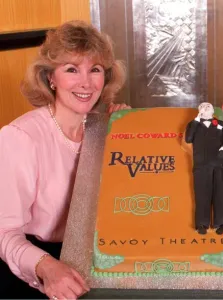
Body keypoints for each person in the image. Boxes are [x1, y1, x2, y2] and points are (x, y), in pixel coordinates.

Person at [0, 20, 129, 299]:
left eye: (94, 70)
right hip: (35, 263)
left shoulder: (103, 127)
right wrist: (46, 267)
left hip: (96, 257)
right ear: (50, 78)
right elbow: (4, 233)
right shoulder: (19, 137)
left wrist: (127, 129)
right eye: (71, 69)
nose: (85, 82)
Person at [185, 102, 223, 235]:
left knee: (219, 193)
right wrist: (196, 119)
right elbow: (188, 139)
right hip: (201, 164)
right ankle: (201, 224)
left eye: (208, 105)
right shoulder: (194, 125)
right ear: (199, 111)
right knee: (202, 194)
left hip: (218, 163)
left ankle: (220, 223)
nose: (206, 107)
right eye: (203, 106)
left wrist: (222, 148)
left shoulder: (221, 124)